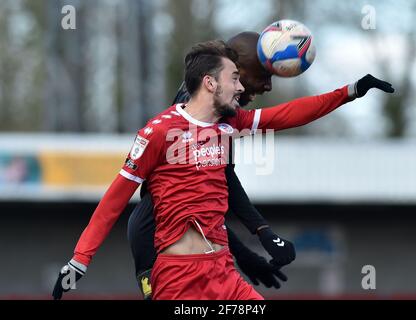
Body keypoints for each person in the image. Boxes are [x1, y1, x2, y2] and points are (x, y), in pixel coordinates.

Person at [54, 40, 393, 300]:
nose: (242, 87)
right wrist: (79, 260)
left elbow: (292, 113)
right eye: (235, 78)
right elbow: (114, 199)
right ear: (210, 83)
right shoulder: (157, 132)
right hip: (179, 278)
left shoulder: (232, 124)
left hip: (225, 274)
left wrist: (350, 91)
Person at [52, 32, 296, 301]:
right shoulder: (187, 114)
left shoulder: (223, 115)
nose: (268, 86)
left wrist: (255, 240)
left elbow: (214, 192)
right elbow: (198, 194)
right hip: (154, 243)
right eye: (263, 75)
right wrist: (80, 259)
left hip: (210, 262)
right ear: (227, 76)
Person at [129, 32, 294, 300]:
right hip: (155, 250)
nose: (268, 87)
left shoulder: (219, 109)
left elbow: (211, 198)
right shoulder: (199, 106)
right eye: (264, 75)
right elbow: (216, 186)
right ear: (235, 70)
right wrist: (260, 233)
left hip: (189, 252)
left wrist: (247, 249)